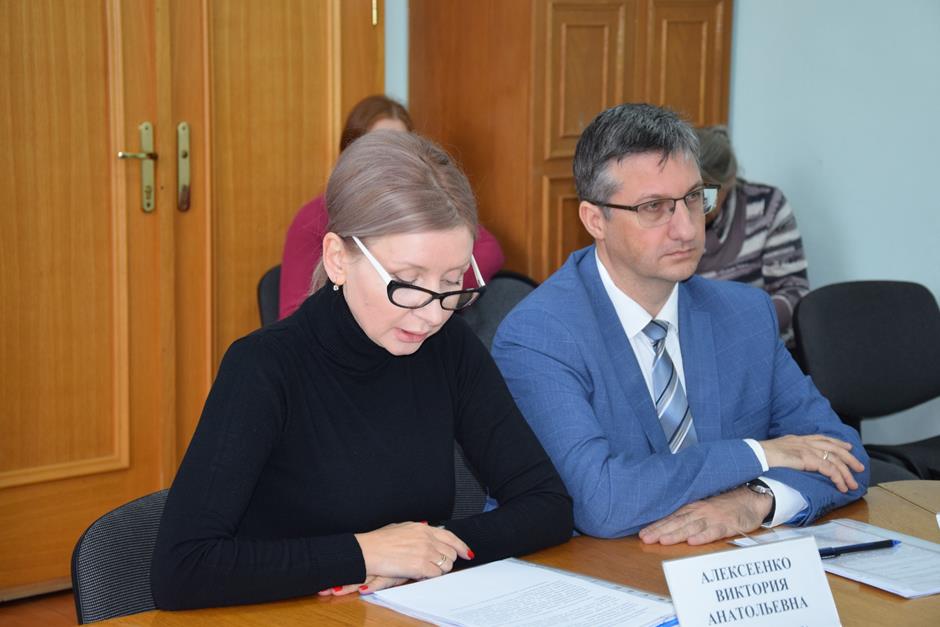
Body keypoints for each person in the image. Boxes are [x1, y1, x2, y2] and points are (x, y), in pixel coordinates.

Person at [151, 131, 572, 609]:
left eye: (452, 282)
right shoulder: (264, 367)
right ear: (338, 259)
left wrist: (425, 554)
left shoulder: (448, 347)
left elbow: (547, 505)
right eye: (408, 282)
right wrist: (363, 553)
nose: (432, 314)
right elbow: (181, 568)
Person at [492, 103, 868, 544]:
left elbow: (846, 456)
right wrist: (758, 455)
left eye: (693, 198)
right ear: (595, 220)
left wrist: (754, 500)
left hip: (722, 565)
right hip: (596, 569)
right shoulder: (539, 335)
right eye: (654, 207)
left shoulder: (745, 314)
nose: (687, 229)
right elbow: (602, 503)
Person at [279, 94, 505, 319]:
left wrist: (434, 291)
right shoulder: (312, 217)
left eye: (401, 148)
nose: (392, 161)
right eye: (378, 148)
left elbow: (488, 248)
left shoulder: (422, 208)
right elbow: (293, 315)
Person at [694, 126, 809, 344]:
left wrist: (742, 325)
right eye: (687, 194)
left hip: (758, 340)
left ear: (729, 182)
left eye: (704, 196)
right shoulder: (668, 213)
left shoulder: (766, 207)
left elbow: (794, 292)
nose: (695, 207)